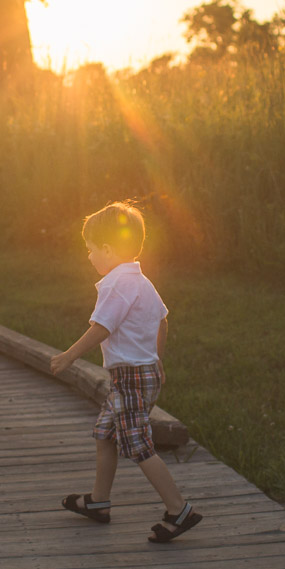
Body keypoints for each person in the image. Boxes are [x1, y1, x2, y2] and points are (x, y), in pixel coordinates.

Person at [50, 202, 202, 544]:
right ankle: (99, 501)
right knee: (106, 434)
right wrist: (156, 357)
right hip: (138, 373)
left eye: (90, 250)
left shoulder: (115, 284)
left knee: (138, 446)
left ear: (106, 249)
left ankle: (179, 509)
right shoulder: (140, 280)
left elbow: (102, 326)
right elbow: (163, 319)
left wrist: (69, 356)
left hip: (130, 379)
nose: (89, 258)